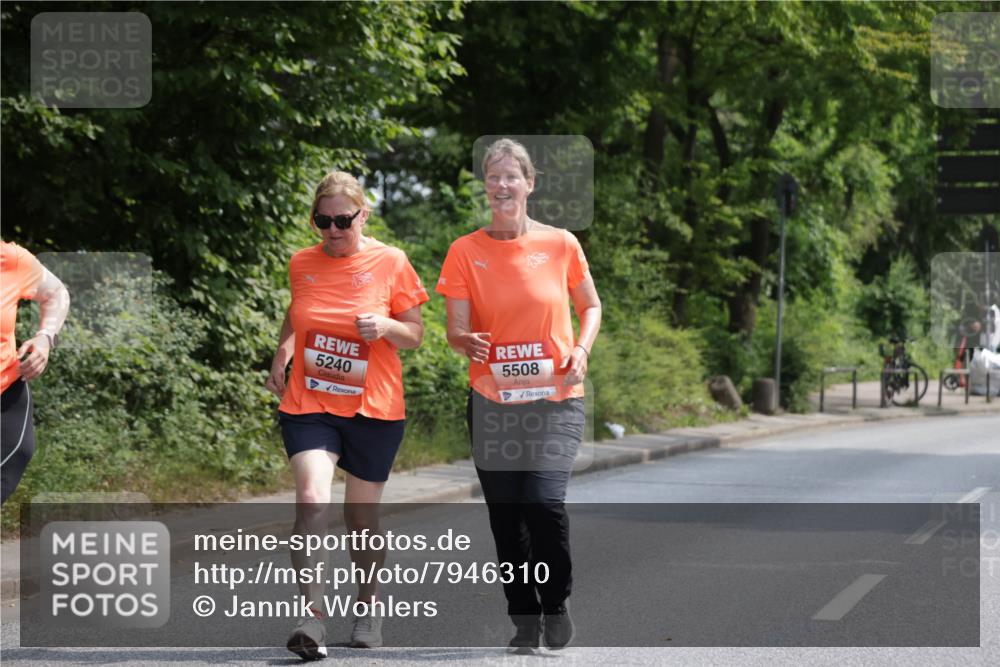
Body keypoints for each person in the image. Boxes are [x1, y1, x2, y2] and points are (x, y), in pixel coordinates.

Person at [436, 138, 601, 652]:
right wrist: (466, 340)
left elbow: (591, 307)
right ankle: (524, 617)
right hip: (492, 402)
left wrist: (581, 349)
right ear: (484, 186)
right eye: (493, 177)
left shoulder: (561, 244)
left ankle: (555, 602)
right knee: (507, 519)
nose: (502, 185)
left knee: (544, 503)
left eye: (512, 177)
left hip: (555, 398)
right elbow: (455, 331)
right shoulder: (466, 250)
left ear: (530, 184)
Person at [265, 171, 428, 660]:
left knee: (361, 519)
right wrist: (282, 352)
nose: (332, 230)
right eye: (323, 220)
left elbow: (416, 333)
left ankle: (368, 603)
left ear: (364, 215)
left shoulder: (391, 261)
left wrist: (385, 325)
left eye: (342, 220)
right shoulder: (302, 262)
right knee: (312, 498)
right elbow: (299, 313)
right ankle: (311, 619)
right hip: (310, 403)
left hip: (373, 407)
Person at [1, 241, 70, 505]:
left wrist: (45, 338)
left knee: (15, 455)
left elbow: (56, 293)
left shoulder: (10, 259)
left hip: (5, 392)